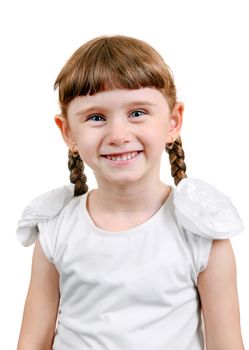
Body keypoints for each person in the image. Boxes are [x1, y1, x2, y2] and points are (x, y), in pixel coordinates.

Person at [16, 35, 245, 350]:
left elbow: (226, 344)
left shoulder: (202, 232)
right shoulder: (56, 228)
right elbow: (32, 342)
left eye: (137, 113)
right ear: (67, 131)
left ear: (173, 121)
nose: (118, 135)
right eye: (96, 118)